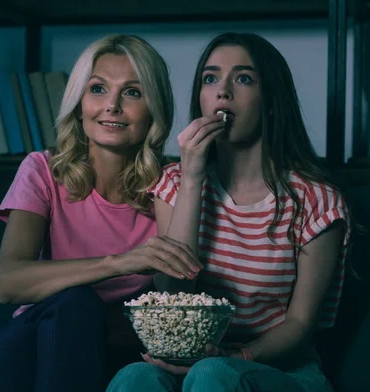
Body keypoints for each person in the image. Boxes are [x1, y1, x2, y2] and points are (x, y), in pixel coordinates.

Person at [0, 34, 203, 392]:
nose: (112, 106)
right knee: (75, 301)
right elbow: (8, 284)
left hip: (117, 358)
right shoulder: (42, 169)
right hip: (30, 348)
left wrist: (192, 176)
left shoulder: (169, 185)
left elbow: (176, 291)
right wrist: (120, 262)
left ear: (154, 108)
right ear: (78, 102)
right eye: (98, 89)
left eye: (132, 92)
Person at [107, 32, 352, 392]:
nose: (222, 91)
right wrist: (192, 178)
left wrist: (236, 357)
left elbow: (301, 324)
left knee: (214, 375)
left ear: (270, 99)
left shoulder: (316, 200)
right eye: (210, 78)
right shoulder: (173, 183)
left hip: (281, 370)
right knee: (134, 378)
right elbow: (174, 292)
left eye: (243, 78)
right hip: (189, 363)